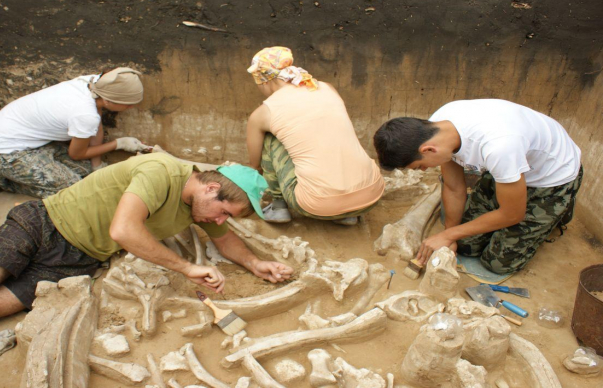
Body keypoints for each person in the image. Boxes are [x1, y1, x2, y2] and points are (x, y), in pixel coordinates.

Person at [0, 153, 293, 364]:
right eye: (223, 212)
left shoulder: (202, 207)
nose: (220, 222)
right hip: (41, 225)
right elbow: (123, 231)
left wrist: (256, 264)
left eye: (228, 219)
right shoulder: (160, 171)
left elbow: (226, 242)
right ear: (211, 187)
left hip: (74, 264)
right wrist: (187, 267)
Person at [373, 99, 583, 274]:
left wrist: (448, 235)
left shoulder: (499, 147)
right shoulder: (437, 127)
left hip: (550, 179)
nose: (424, 171)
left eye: (419, 166)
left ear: (428, 149)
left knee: (497, 263)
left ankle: (558, 209)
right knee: (466, 244)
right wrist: (451, 235)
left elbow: (512, 214)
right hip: (507, 171)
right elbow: (454, 187)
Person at [245, 46, 385, 226]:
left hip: (316, 206)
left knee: (271, 138)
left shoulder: (265, 112)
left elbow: (255, 165)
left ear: (263, 80)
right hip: (371, 197)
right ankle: (346, 214)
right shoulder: (326, 88)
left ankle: (278, 207)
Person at [0, 67, 151, 198]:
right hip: (2, 150)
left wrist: (96, 166)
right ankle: (1, 179)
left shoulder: (93, 83)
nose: (132, 107)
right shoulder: (84, 114)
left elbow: (95, 126)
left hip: (28, 142)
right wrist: (119, 144)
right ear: (108, 100)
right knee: (76, 189)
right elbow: (77, 153)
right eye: (128, 104)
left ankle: (12, 175)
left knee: (88, 173)